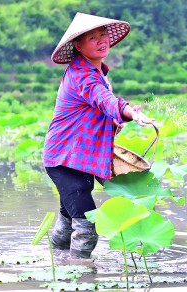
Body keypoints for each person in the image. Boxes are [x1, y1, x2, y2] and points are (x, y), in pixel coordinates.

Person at [43, 12, 154, 259]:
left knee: (69, 215)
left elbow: (102, 105)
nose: (101, 40)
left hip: (80, 158)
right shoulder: (82, 74)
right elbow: (103, 99)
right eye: (92, 37)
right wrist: (129, 113)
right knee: (86, 225)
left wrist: (120, 117)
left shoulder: (98, 73)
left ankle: (55, 261)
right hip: (64, 159)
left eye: (103, 34)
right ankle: (79, 274)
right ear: (78, 45)